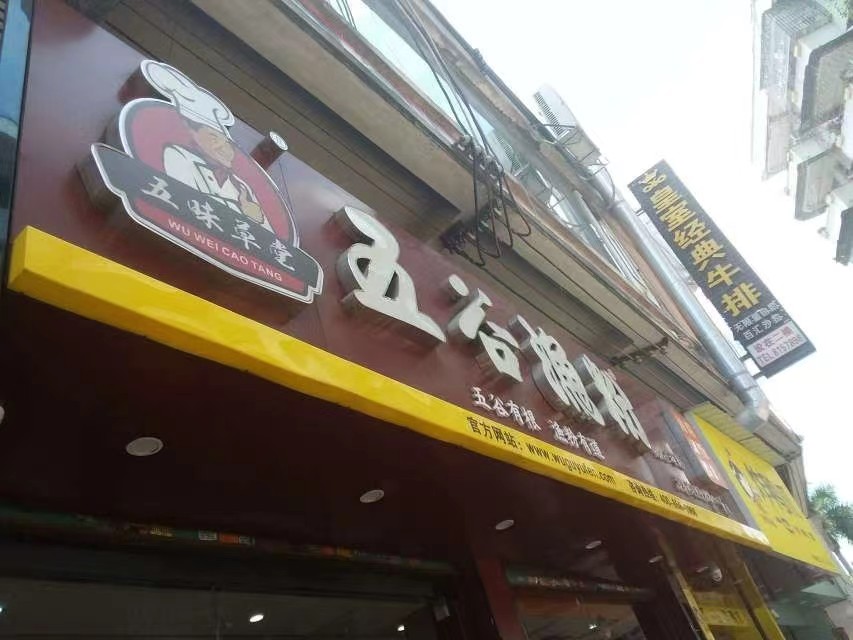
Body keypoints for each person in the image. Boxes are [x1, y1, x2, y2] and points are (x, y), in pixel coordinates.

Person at [140, 60, 274, 232]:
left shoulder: (242, 187)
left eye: (227, 143)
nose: (224, 148)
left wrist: (258, 219)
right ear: (193, 135)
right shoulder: (179, 156)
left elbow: (265, 238)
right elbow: (185, 207)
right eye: (213, 137)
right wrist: (243, 214)